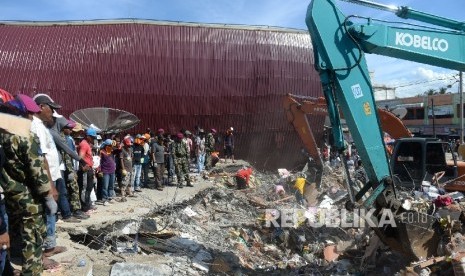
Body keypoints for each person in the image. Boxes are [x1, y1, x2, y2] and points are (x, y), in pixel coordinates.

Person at [31, 93, 68, 259]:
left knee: (50, 212)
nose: (53, 113)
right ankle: (43, 253)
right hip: (46, 180)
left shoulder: (42, 126)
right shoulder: (36, 127)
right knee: (45, 213)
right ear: (41, 107)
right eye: (51, 109)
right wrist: (50, 186)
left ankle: (49, 246)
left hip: (51, 177)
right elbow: (41, 158)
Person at [78, 128, 98, 213]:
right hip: (86, 170)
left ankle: (88, 205)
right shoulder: (84, 144)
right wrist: (84, 165)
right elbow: (80, 157)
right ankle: (85, 208)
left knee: (89, 188)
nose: (93, 139)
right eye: (92, 137)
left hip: (89, 169)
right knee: (85, 189)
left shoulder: (87, 144)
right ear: (88, 136)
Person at [99, 139, 116, 205]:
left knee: (111, 185)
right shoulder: (102, 152)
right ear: (106, 145)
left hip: (112, 170)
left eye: (111, 145)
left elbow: (119, 149)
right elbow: (99, 161)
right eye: (109, 145)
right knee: (105, 186)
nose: (110, 146)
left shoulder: (112, 151)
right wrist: (100, 170)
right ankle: (105, 199)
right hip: (105, 171)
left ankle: (110, 197)